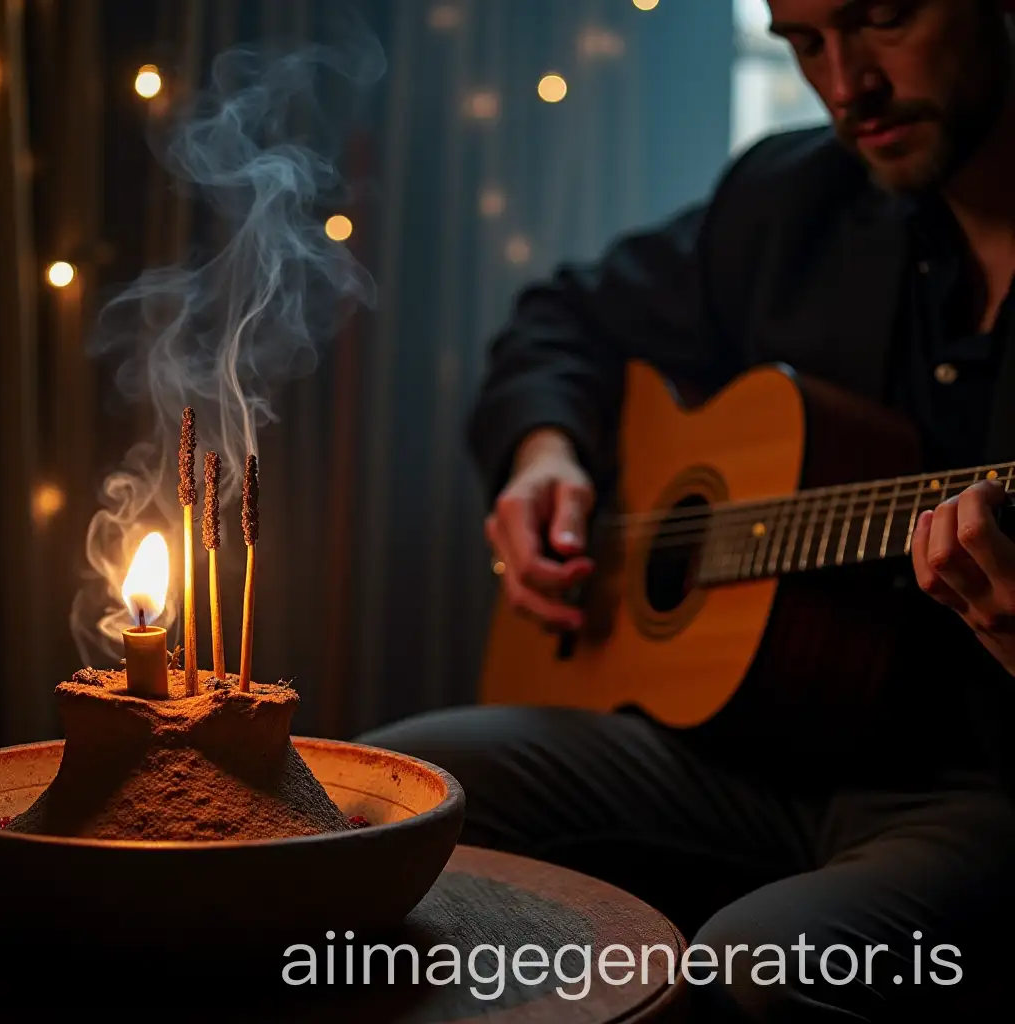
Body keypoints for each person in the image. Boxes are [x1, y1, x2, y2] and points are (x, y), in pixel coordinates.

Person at [356, 1, 1015, 1018]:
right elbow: (562, 321)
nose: (847, 88)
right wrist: (543, 457)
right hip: (742, 750)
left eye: (879, 18)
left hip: (978, 790)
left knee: (754, 969)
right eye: (802, 42)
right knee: (375, 799)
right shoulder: (789, 199)